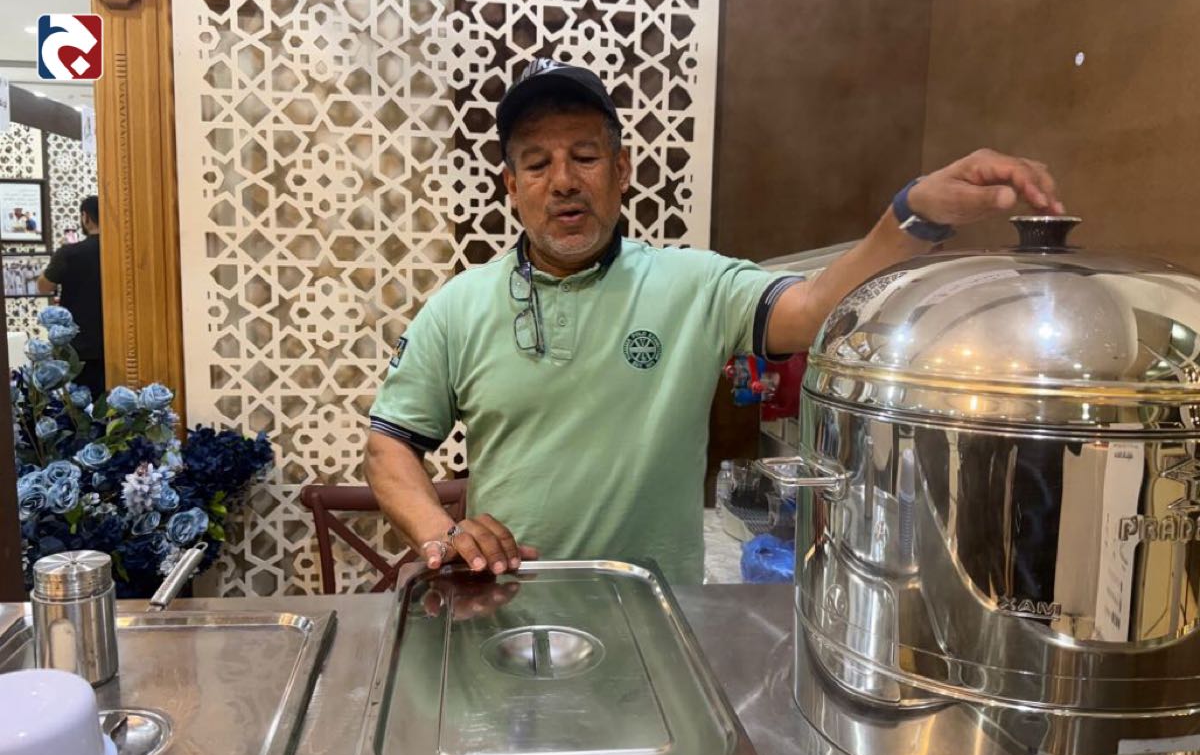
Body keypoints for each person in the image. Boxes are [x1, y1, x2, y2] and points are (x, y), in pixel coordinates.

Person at [364, 58, 1063, 585]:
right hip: (508, 606)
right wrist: (441, 532)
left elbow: (813, 308)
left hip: (657, 616)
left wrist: (914, 216)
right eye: (537, 164)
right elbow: (388, 447)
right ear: (512, 188)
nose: (564, 180)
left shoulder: (694, 283)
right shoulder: (460, 305)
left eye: (585, 156)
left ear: (621, 169)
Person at [39, 195, 105, 396]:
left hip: (79, 344)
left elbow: (44, 286)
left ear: (85, 217)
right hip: (117, 342)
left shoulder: (69, 253)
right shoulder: (121, 252)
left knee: (81, 402)